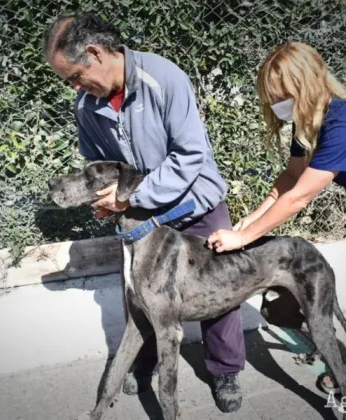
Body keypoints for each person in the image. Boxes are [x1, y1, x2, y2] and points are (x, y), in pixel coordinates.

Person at [207, 41, 346, 420]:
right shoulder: (307, 119)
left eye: (281, 96)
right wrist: (249, 220)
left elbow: (300, 197)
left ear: (305, 84)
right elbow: (291, 177)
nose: (277, 106)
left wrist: (244, 239)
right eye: (272, 98)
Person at [42, 13, 245, 413]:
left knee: (220, 288)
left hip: (194, 200)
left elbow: (189, 156)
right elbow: (96, 162)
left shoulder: (164, 78)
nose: (75, 87)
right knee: (138, 292)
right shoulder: (87, 104)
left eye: (75, 76)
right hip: (138, 209)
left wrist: (130, 197)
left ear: (96, 53)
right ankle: (145, 362)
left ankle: (225, 369)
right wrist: (105, 199)